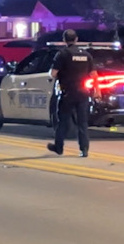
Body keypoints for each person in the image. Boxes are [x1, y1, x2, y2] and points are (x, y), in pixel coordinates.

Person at [47, 29, 100, 158]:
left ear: (64, 40)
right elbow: (94, 75)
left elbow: (53, 74)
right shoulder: (86, 55)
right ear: (76, 39)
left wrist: (52, 73)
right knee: (82, 122)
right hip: (83, 93)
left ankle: (59, 147)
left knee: (62, 122)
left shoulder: (62, 54)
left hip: (67, 93)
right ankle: (84, 149)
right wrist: (97, 91)